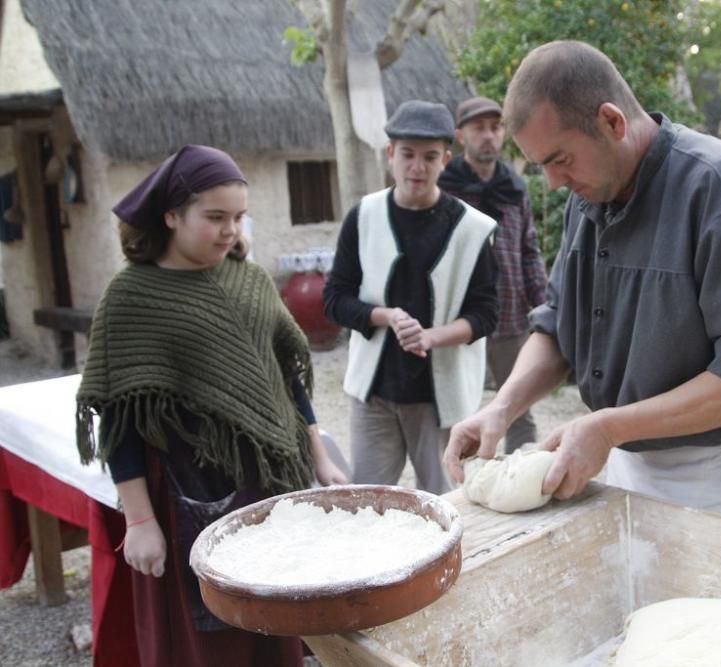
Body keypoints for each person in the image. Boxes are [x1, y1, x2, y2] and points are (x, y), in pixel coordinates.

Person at [444, 41, 721, 526]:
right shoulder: (591, 194)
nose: (554, 182)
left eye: (560, 159)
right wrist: (502, 408)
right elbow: (559, 324)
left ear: (611, 121)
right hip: (627, 453)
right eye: (542, 165)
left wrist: (606, 427)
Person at [76, 145, 347, 667]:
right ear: (171, 215)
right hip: (187, 495)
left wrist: (318, 454)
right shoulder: (131, 296)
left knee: (273, 615)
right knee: (207, 637)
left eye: (239, 217)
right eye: (215, 217)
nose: (230, 230)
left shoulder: (248, 279)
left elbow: (285, 374)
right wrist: (138, 521)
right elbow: (119, 418)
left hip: (267, 483)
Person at [324, 100, 498, 494]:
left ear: (445, 160)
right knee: (366, 503)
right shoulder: (363, 216)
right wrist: (386, 317)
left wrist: (431, 337)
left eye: (429, 157)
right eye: (407, 155)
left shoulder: (472, 229)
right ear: (391, 154)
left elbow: (486, 314)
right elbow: (335, 298)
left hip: (442, 399)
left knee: (447, 506)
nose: (417, 167)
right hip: (375, 393)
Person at [438, 96, 548, 453]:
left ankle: (527, 479)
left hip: (511, 318)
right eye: (478, 128)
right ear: (460, 135)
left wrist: (545, 307)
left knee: (517, 408)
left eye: (496, 127)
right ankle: (464, 490)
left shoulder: (515, 189)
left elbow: (529, 251)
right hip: (460, 320)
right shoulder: (443, 189)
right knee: (458, 412)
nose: (488, 136)